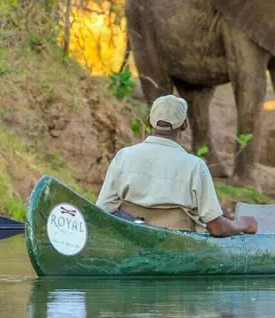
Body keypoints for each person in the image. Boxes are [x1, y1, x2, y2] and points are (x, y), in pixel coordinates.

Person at [96, 94, 258, 237]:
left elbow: (102, 212)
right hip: (178, 245)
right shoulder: (195, 166)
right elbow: (216, 227)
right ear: (185, 124)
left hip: (132, 240)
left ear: (149, 121)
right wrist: (242, 224)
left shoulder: (124, 156)